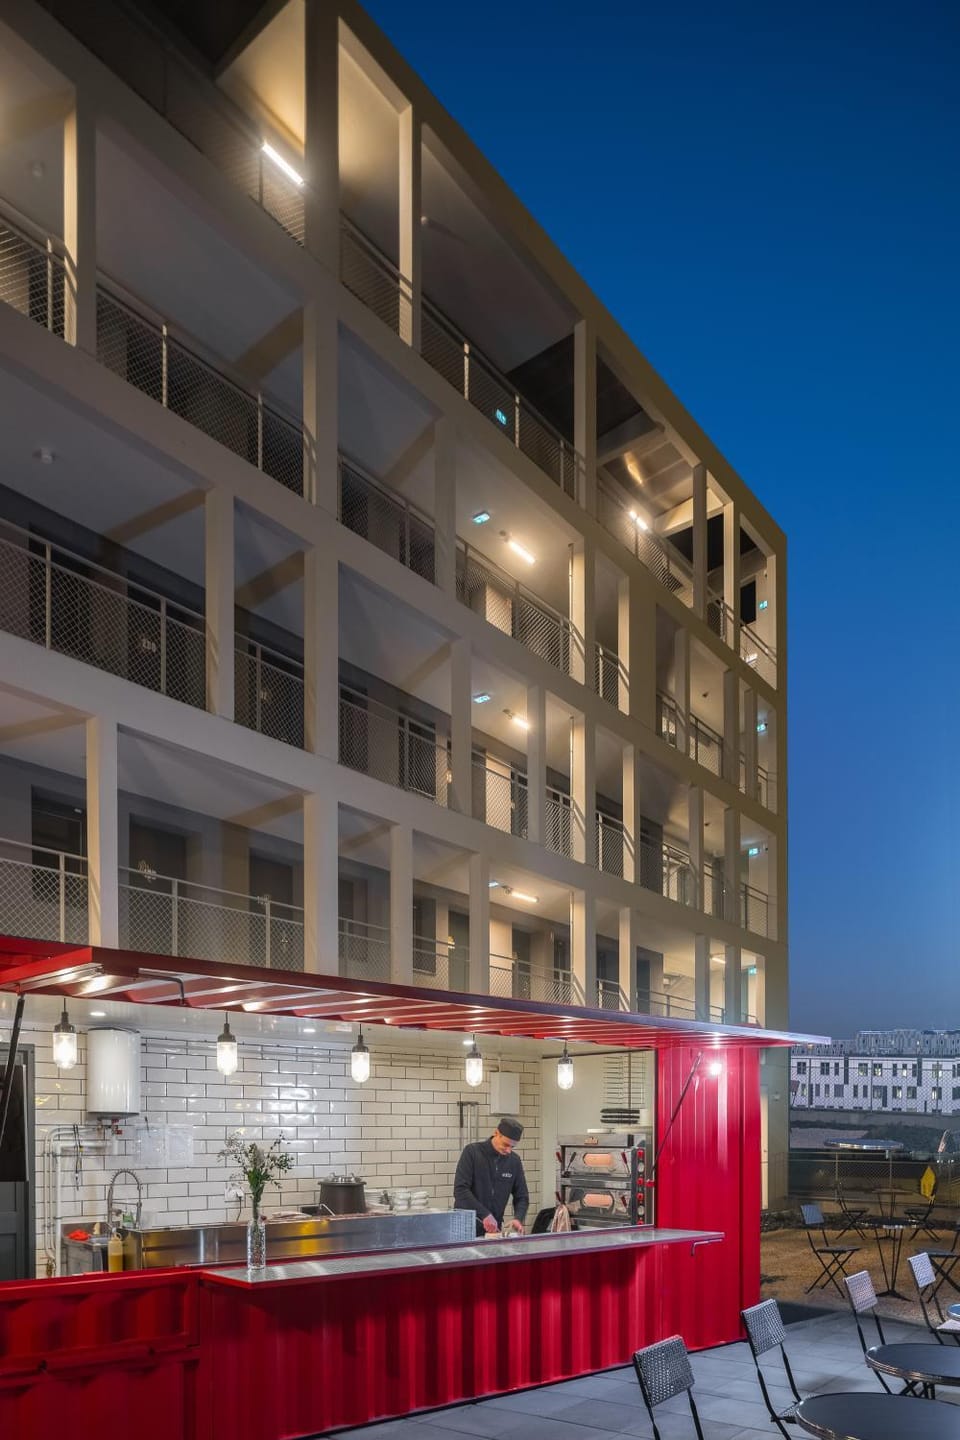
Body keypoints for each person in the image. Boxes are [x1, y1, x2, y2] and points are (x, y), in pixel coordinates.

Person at [454, 1118, 529, 1236]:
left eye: (512, 1147)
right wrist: (484, 1214)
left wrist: (518, 1218)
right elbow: (460, 1190)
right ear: (496, 1133)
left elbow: (522, 1196)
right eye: (506, 1145)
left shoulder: (514, 1161)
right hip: (465, 1227)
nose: (509, 1151)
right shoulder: (472, 1152)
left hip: (493, 1230)